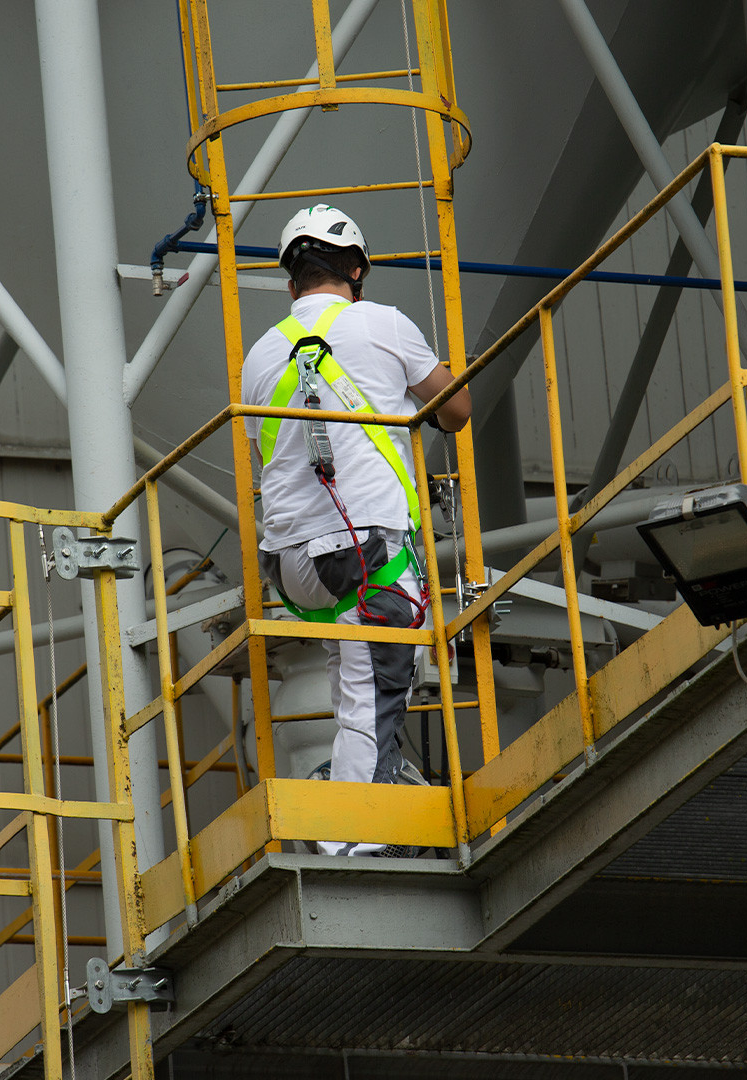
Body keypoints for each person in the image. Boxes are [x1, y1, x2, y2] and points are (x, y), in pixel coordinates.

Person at [240, 205, 472, 855]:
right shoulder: (384, 324)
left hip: (289, 564)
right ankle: (355, 837)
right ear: (359, 271)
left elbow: (270, 456)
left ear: (291, 285)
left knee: (356, 674)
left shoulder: (259, 354)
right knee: (377, 683)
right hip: (362, 549)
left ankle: (349, 815)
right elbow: (456, 410)